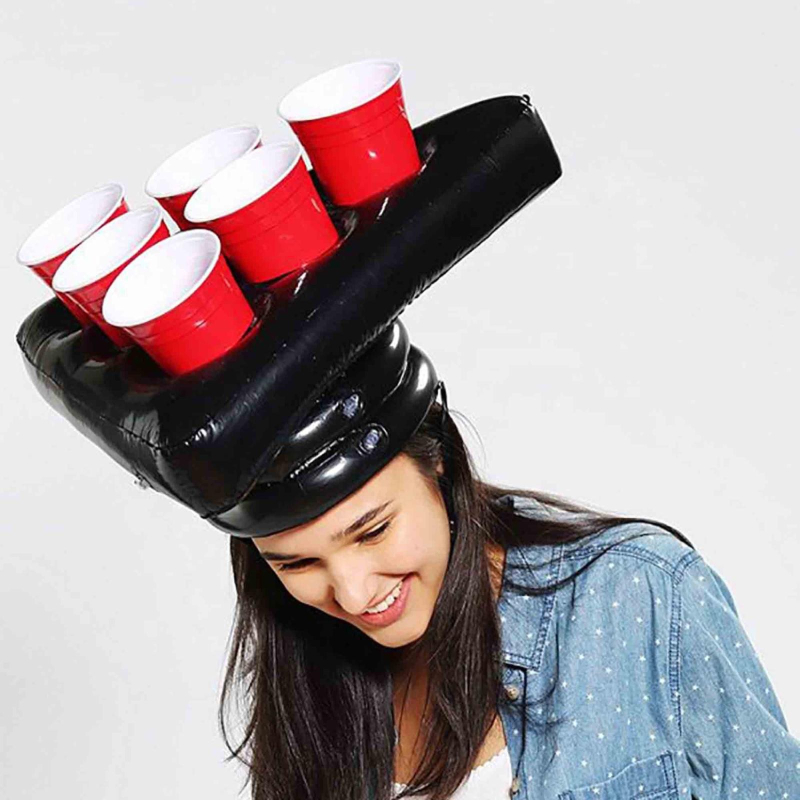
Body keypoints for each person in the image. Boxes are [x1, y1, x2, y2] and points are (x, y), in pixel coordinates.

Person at [218, 393, 800, 800]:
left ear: (438, 460)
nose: (352, 593)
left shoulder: (640, 594)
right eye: (297, 563)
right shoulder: (303, 664)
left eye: (373, 531)